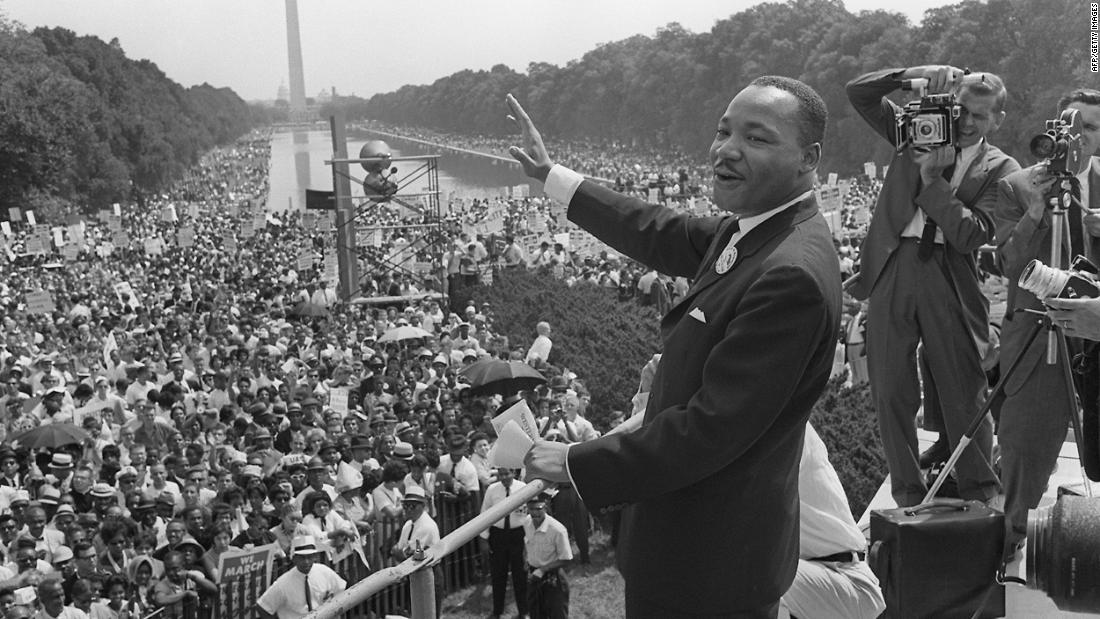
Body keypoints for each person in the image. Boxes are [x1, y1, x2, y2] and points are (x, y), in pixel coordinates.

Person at [509, 75, 841, 617]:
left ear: (808, 158)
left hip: (711, 564)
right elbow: (659, 229)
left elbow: (710, 431)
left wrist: (573, 460)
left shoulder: (791, 274)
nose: (726, 149)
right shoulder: (756, 230)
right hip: (693, 546)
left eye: (756, 139)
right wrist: (554, 178)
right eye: (723, 130)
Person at [845, 64, 1018, 507]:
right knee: (890, 389)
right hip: (893, 266)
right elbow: (859, 92)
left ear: (998, 120)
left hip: (950, 272)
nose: (966, 121)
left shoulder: (1003, 169)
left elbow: (971, 234)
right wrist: (912, 74)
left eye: (980, 115)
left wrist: (931, 182)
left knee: (965, 388)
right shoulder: (915, 131)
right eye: (960, 109)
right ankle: (907, 492)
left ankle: (980, 492)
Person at [993, 87, 1100, 559]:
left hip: (1095, 334)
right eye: (1076, 126)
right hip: (1038, 337)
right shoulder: (1017, 185)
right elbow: (1009, 266)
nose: (1083, 137)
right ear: (1057, 128)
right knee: (1025, 446)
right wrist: (1036, 211)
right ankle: (1011, 541)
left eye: (1094, 128)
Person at [257, 535, 346, 619]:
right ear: (294, 558)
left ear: (314, 557)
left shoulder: (324, 572)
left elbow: (342, 591)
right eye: (302, 558)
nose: (306, 562)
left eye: (309, 557)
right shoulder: (283, 584)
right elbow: (263, 607)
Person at [479, 467, 527, 619]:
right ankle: (497, 611)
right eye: (501, 474)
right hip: (498, 536)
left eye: (507, 474)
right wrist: (484, 538)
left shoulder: (523, 488)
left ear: (513, 473)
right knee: (498, 575)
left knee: (520, 575)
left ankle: (524, 611)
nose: (504, 477)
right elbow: (484, 514)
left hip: (518, 534)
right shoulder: (492, 490)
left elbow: (529, 514)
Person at [523, 493, 572, 619]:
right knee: (536, 614)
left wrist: (543, 569)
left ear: (546, 507)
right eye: (531, 509)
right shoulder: (527, 522)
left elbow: (566, 559)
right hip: (534, 576)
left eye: (539, 509)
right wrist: (526, 560)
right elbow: (528, 542)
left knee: (557, 615)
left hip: (553, 579)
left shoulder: (557, 530)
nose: (535, 513)